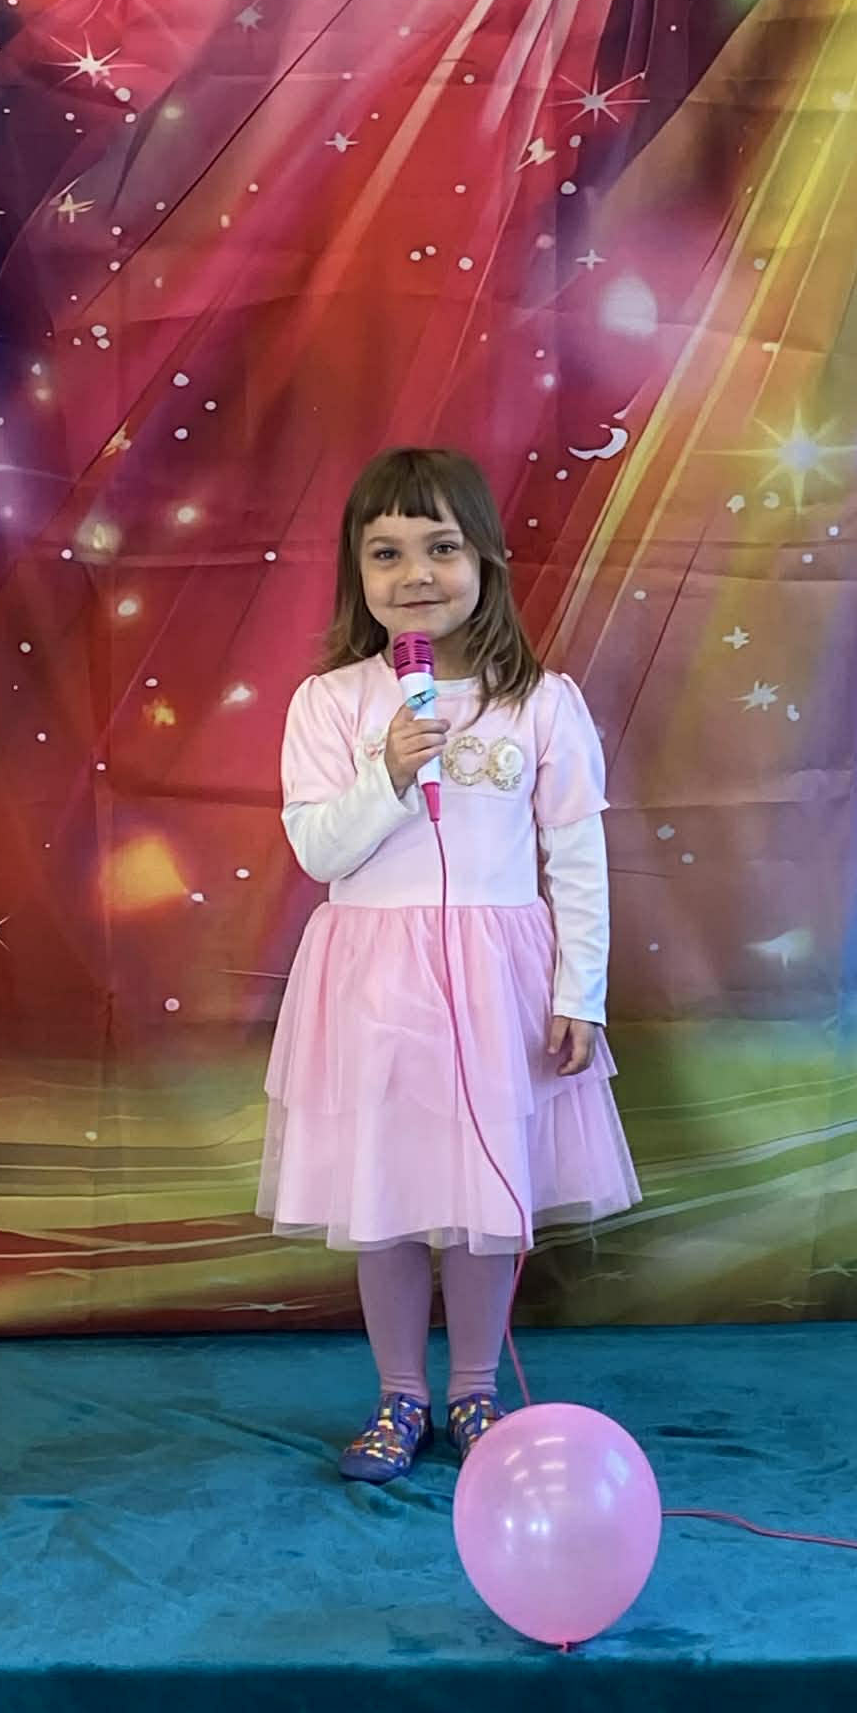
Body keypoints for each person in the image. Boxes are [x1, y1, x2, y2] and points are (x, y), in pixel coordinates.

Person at [257, 447, 640, 1483]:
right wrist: (387, 773)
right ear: (358, 571)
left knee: (482, 1200)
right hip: (372, 982)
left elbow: (578, 856)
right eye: (386, 552)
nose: (415, 573)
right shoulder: (330, 702)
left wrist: (581, 991)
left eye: (440, 547)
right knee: (381, 1198)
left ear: (487, 561)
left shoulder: (541, 702)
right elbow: (320, 852)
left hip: (495, 981)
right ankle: (401, 1394)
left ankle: (474, 1387)